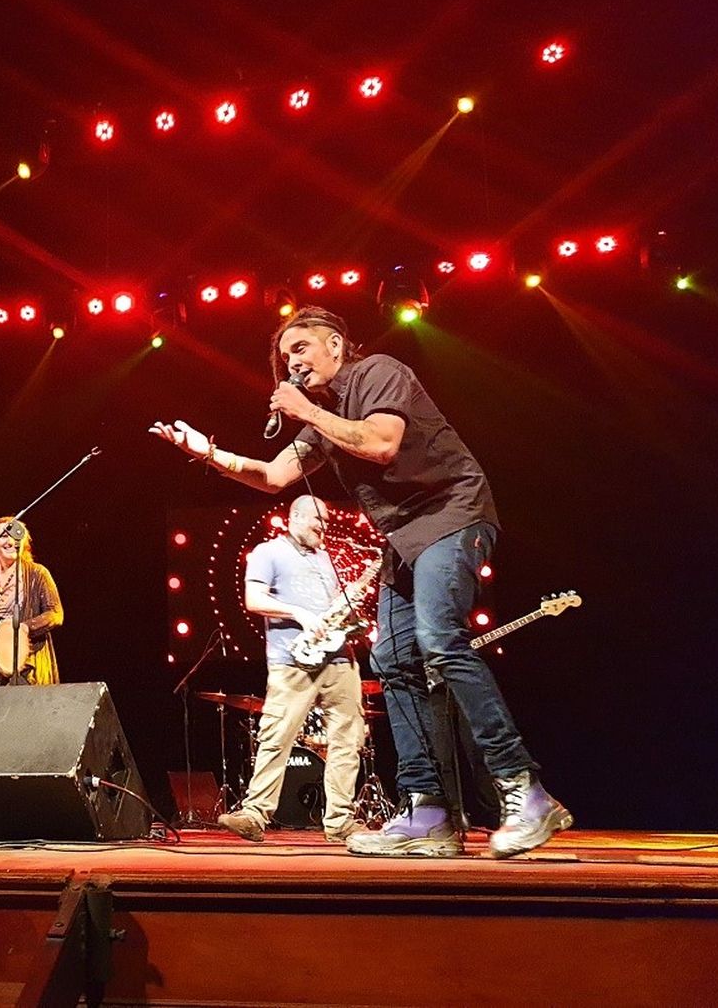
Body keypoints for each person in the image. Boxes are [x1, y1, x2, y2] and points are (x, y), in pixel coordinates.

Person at [152, 306, 570, 858]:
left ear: (335, 344)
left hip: (453, 516)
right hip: (404, 541)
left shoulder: (378, 371)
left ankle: (524, 789)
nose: (291, 364)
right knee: (394, 660)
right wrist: (205, 452)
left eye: (300, 350)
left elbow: (380, 444)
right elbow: (274, 475)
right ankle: (431, 810)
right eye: (284, 359)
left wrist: (306, 411)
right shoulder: (324, 417)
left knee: (441, 641)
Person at [218, 495, 367, 844]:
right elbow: (254, 600)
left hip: (340, 658)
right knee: (276, 736)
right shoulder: (267, 552)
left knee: (348, 740)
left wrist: (350, 609)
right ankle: (255, 815)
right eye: (318, 519)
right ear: (294, 518)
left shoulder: (328, 559)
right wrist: (300, 614)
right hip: (292, 658)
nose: (324, 527)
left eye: (327, 521)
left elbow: (333, 611)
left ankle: (341, 822)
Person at [0, 516, 63, 686]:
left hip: (24, 662)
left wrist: (24, 627)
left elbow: (55, 614)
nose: (10, 540)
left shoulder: (37, 573)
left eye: (14, 534)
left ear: (24, 540)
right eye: (3, 535)